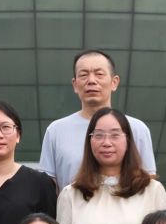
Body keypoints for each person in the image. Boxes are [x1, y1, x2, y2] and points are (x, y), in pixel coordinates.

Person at [39, 50, 157, 183]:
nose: (91, 81)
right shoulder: (56, 130)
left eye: (99, 74)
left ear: (114, 82)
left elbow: (148, 183)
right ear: (75, 85)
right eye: (83, 75)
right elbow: (48, 185)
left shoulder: (137, 129)